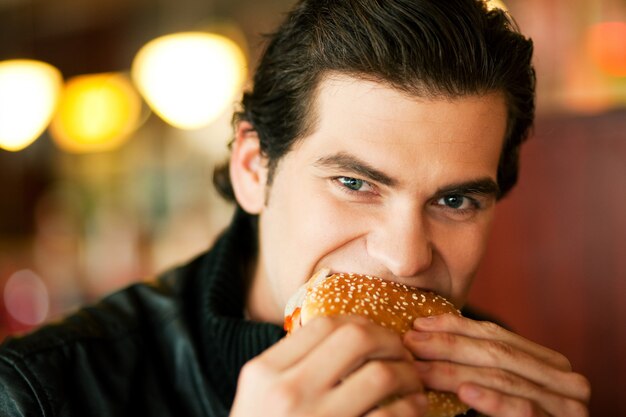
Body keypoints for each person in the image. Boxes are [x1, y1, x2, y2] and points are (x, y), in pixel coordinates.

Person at [0, 0, 590, 416]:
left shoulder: (492, 387)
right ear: (254, 169)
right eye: (355, 184)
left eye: (455, 200)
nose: (406, 258)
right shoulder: (40, 392)